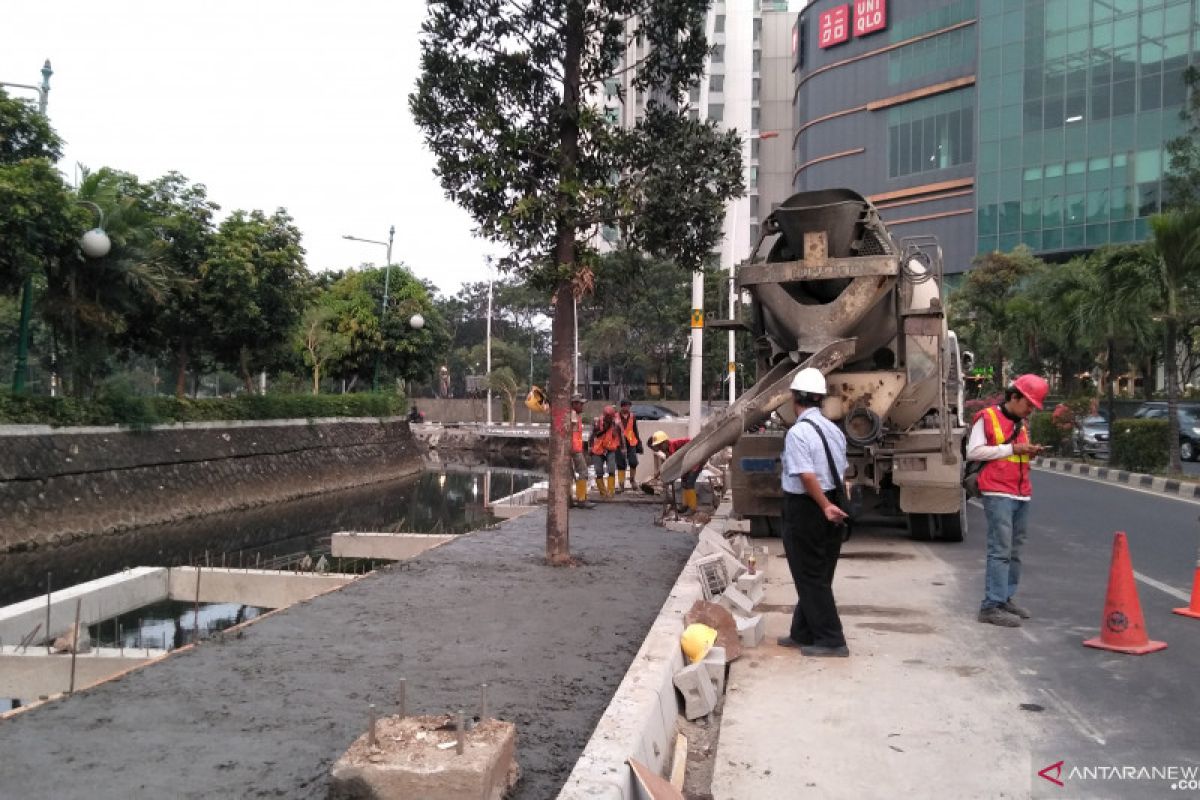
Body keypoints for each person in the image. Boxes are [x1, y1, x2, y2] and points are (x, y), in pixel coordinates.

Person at [777, 367, 851, 658]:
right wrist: (835, 504)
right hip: (831, 500)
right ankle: (802, 631)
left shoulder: (798, 433)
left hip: (809, 507)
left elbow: (807, 477)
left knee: (809, 575)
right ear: (820, 400)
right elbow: (842, 470)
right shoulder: (833, 430)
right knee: (817, 573)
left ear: (796, 399)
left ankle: (831, 639)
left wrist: (824, 506)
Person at [968, 373, 1048, 627]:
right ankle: (991, 605)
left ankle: (1004, 598)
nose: (1030, 411)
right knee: (1000, 549)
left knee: (1014, 550)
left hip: (1020, 491)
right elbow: (974, 451)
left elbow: (1015, 455)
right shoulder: (988, 417)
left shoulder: (1020, 424)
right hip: (997, 490)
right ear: (1014, 397)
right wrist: (1012, 449)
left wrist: (1028, 452)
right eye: (1028, 405)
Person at [647, 431, 704, 514]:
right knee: (684, 483)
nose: (660, 448)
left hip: (695, 461)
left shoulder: (673, 445)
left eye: (660, 445)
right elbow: (668, 463)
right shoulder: (666, 450)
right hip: (687, 464)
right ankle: (685, 506)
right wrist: (659, 473)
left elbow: (674, 462)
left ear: (665, 442)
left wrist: (669, 476)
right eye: (658, 446)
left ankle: (692, 508)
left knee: (689, 483)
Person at [569, 394, 595, 509]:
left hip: (575, 448)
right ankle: (581, 499)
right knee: (583, 473)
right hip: (574, 449)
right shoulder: (572, 415)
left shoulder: (576, 415)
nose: (582, 406)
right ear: (574, 404)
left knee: (572, 475)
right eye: (581, 404)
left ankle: (575, 499)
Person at [591, 405, 621, 497]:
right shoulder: (597, 422)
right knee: (599, 471)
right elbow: (592, 435)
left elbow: (620, 436)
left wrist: (622, 447)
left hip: (610, 449)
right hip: (598, 449)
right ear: (604, 415)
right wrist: (589, 447)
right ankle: (603, 493)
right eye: (607, 416)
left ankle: (610, 492)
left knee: (611, 469)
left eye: (610, 416)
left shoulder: (616, 424)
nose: (609, 418)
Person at [615, 399, 643, 492]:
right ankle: (621, 485)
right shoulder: (616, 416)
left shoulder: (632, 416)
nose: (627, 408)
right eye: (625, 406)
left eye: (628, 406)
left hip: (631, 442)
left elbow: (635, 430)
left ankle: (632, 480)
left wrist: (639, 443)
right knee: (620, 464)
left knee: (633, 461)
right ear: (622, 406)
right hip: (619, 443)